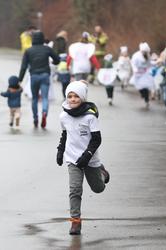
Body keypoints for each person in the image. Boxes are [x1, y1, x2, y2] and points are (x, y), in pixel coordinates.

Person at [56, 80, 110, 235]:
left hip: (90, 158)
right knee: (75, 189)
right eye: (70, 96)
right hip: (73, 158)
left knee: (98, 188)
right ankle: (75, 222)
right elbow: (65, 134)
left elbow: (96, 139)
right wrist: (60, 151)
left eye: (76, 96)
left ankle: (101, 171)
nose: (73, 99)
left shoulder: (90, 117)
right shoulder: (63, 116)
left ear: (83, 98)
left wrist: (87, 156)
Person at [18, 31, 60, 128]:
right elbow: (57, 59)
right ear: (42, 39)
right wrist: (53, 62)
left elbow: (23, 66)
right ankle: (44, 113)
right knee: (45, 98)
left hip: (34, 76)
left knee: (35, 98)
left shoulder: (28, 51)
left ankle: (35, 118)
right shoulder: (47, 49)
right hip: (45, 75)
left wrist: (20, 79)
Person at [130, 42, 154, 108]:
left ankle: (147, 100)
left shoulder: (148, 56)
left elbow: (149, 63)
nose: (144, 52)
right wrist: (134, 69)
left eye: (145, 51)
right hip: (138, 73)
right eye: (143, 51)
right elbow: (133, 63)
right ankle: (143, 94)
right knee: (139, 87)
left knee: (145, 86)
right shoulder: (136, 55)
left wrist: (155, 63)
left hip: (145, 73)